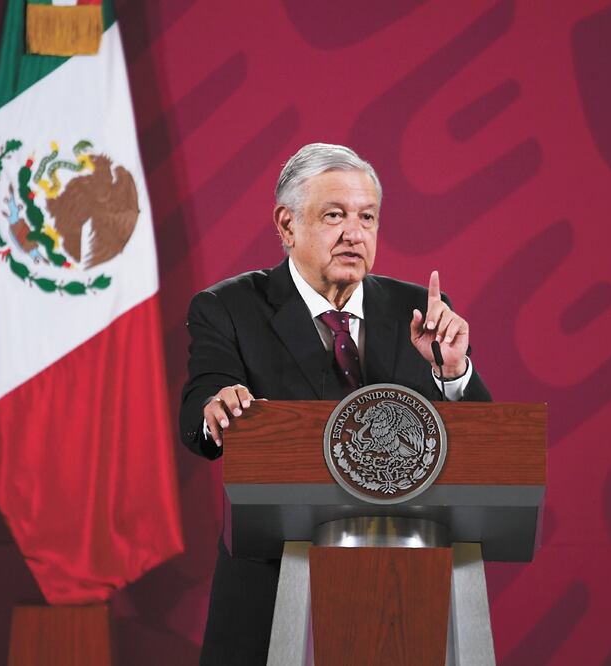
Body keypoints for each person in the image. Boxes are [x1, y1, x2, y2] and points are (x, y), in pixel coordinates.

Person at [179, 143, 491, 664]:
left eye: (367, 216)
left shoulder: (422, 312)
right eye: (334, 215)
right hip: (272, 580)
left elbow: (486, 450)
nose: (355, 233)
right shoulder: (229, 307)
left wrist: (454, 373)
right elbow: (200, 403)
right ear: (287, 225)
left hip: (402, 581)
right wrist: (218, 403)